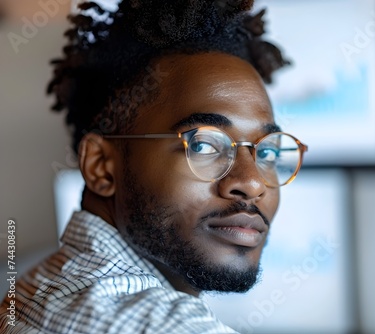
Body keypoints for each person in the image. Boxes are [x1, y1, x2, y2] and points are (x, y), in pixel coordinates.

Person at [0, 0, 307, 332]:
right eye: (204, 145)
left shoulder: (40, 285)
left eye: (266, 154)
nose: (252, 183)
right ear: (101, 166)